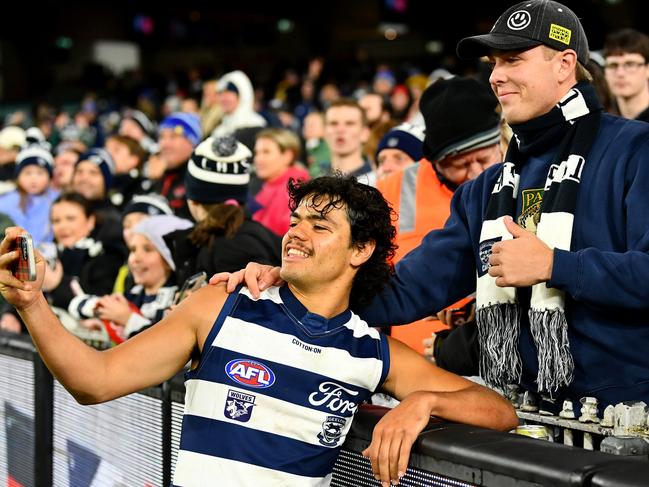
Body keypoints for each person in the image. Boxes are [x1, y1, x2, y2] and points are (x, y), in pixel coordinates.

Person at [219, 0, 649, 412]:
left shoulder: (635, 151)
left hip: (627, 421)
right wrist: (300, 283)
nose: (496, 77)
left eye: (513, 60)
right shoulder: (488, 190)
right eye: (494, 65)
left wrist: (557, 265)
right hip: (525, 415)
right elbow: (406, 291)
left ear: (564, 64)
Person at [0, 175, 517, 486]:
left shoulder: (370, 349)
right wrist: (32, 303)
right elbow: (96, 380)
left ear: (360, 251)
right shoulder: (221, 305)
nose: (296, 233)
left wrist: (423, 403)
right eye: (296, 220)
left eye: (321, 226)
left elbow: (499, 411)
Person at [377, 76, 502, 354]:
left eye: (484, 159)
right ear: (436, 161)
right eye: (460, 164)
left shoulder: (522, 179)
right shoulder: (391, 188)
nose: (475, 174)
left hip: (488, 357)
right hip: (410, 361)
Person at [250, 128, 310, 236]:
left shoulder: (294, 190)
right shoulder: (268, 186)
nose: (258, 159)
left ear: (287, 156)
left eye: (266, 152)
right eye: (257, 153)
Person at [603, 28, 649, 122]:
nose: (620, 73)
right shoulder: (601, 122)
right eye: (613, 65)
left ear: (647, 69)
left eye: (630, 64)